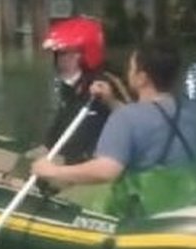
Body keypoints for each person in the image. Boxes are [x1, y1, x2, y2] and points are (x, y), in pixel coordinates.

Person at [31, 39, 196, 218]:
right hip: (185, 195)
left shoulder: (127, 118)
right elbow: (151, 122)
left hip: (145, 207)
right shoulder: (189, 108)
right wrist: (111, 101)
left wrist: (52, 171)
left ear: (142, 78)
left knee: (64, 196)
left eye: (131, 68)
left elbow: (106, 170)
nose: (128, 72)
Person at [39, 17, 131, 164]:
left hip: (94, 165)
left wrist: (110, 101)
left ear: (84, 54)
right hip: (66, 160)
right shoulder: (70, 86)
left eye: (63, 54)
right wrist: (45, 147)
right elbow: (61, 122)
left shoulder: (108, 83)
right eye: (56, 55)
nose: (57, 62)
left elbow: (134, 121)